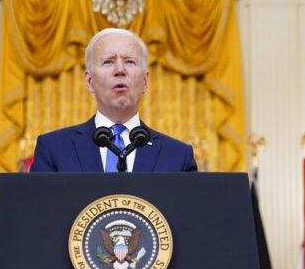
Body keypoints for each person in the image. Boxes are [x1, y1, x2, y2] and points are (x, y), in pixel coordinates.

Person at [30, 28, 197, 172]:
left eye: (129, 62)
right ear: (89, 81)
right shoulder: (54, 149)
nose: (120, 70)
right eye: (108, 62)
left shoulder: (178, 156)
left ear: (145, 82)